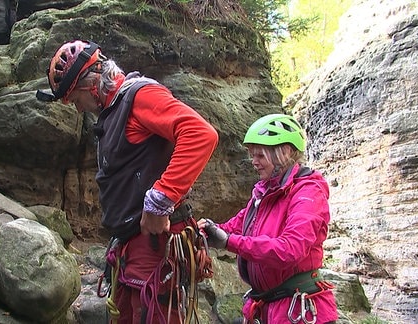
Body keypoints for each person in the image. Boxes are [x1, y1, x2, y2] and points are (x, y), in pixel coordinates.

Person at [36, 40, 218, 323]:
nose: (79, 110)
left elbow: (200, 134)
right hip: (132, 247)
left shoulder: (139, 95)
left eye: (75, 100)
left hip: (156, 246)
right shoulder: (113, 112)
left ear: (92, 83)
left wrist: (160, 199)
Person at [198, 114, 338, 323]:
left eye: (260, 156)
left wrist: (228, 242)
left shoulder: (308, 193)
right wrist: (205, 230)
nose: (254, 162)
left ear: (285, 152)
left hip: (299, 311)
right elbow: (234, 227)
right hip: (271, 308)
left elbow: (290, 249)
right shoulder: (265, 194)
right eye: (252, 155)